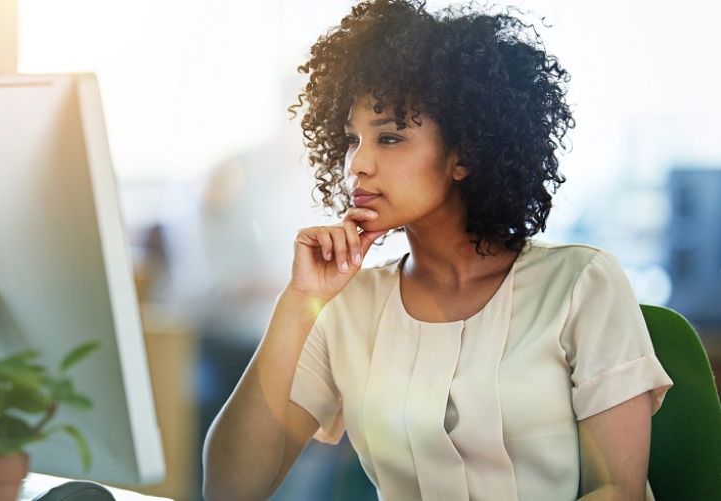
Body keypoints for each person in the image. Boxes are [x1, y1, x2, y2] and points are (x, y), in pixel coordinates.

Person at [202, 1, 673, 499]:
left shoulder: (581, 284)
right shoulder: (346, 307)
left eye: (389, 137)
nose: (357, 164)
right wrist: (297, 302)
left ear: (464, 155)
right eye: (351, 140)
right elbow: (231, 489)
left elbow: (615, 491)